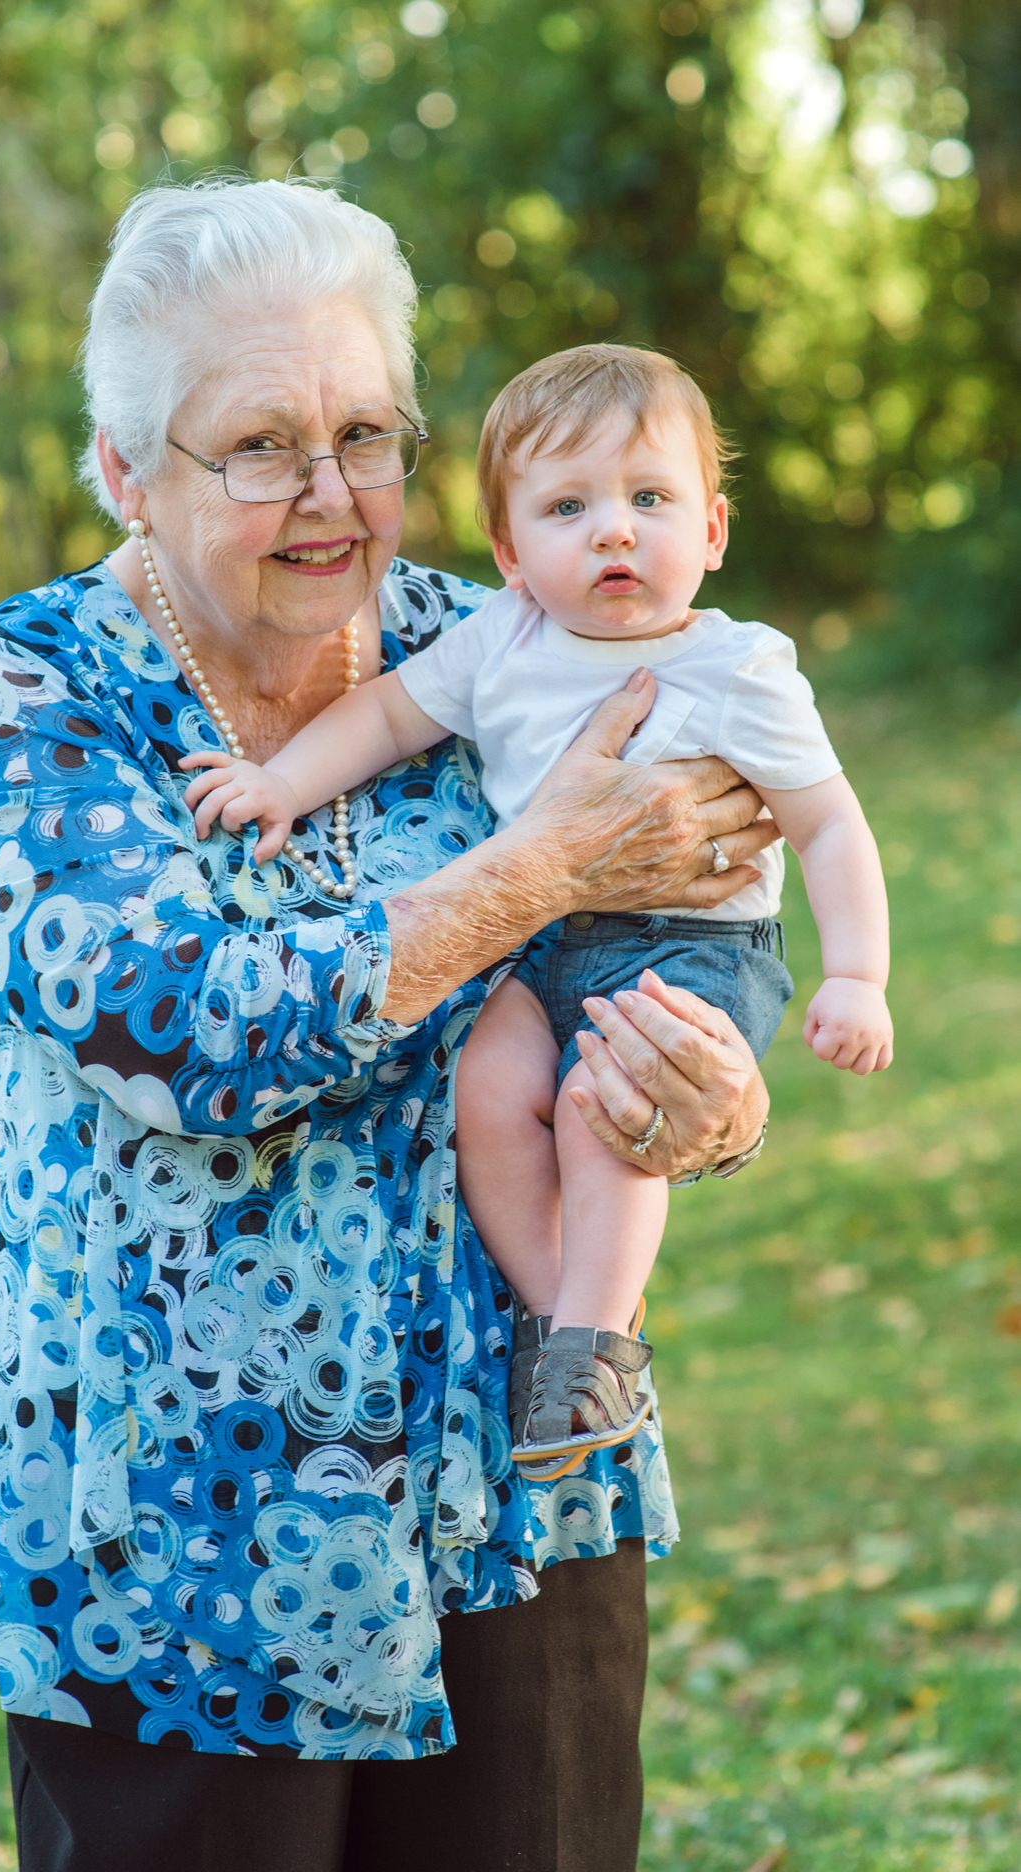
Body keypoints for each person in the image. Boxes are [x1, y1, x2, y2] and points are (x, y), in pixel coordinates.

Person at [0, 178, 777, 1871]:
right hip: (184, 1543)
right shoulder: (34, 688)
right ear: (126, 470)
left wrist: (710, 1098)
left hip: (522, 1491)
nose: (331, 497)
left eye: (367, 435)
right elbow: (173, 1030)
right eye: (260, 448)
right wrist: (524, 877)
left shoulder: (514, 641)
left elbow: (692, 916)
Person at [181, 343, 890, 1477]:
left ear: (710, 531)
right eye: (569, 507)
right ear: (510, 553)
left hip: (691, 947)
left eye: (649, 499)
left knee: (603, 1103)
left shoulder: (740, 671)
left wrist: (856, 974)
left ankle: (587, 1346)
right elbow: (380, 720)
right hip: (540, 941)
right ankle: (565, 1321)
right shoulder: (499, 639)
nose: (614, 530)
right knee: (489, 1083)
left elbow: (828, 825)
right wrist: (277, 784)